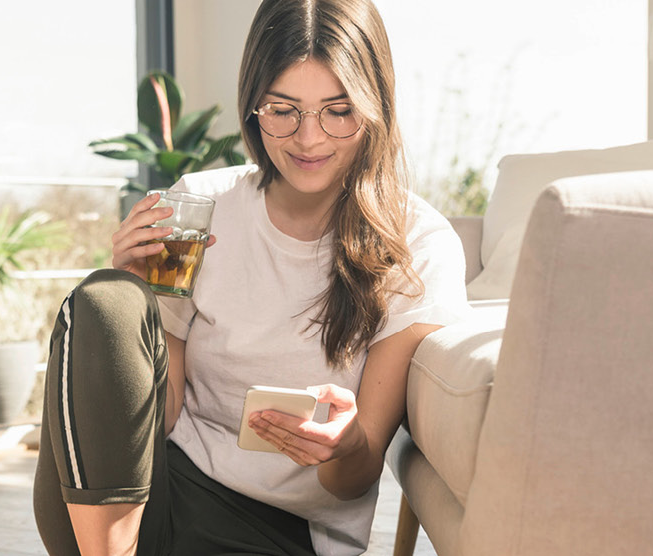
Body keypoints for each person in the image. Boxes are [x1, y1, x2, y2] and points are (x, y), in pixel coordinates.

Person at [33, 0, 470, 554]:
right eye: (283, 110)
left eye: (338, 111)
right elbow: (160, 417)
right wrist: (133, 299)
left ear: (375, 106)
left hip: (284, 530)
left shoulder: (417, 246)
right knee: (104, 299)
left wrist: (345, 444)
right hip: (145, 498)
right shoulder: (198, 207)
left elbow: (355, 479)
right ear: (252, 106)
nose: (309, 139)